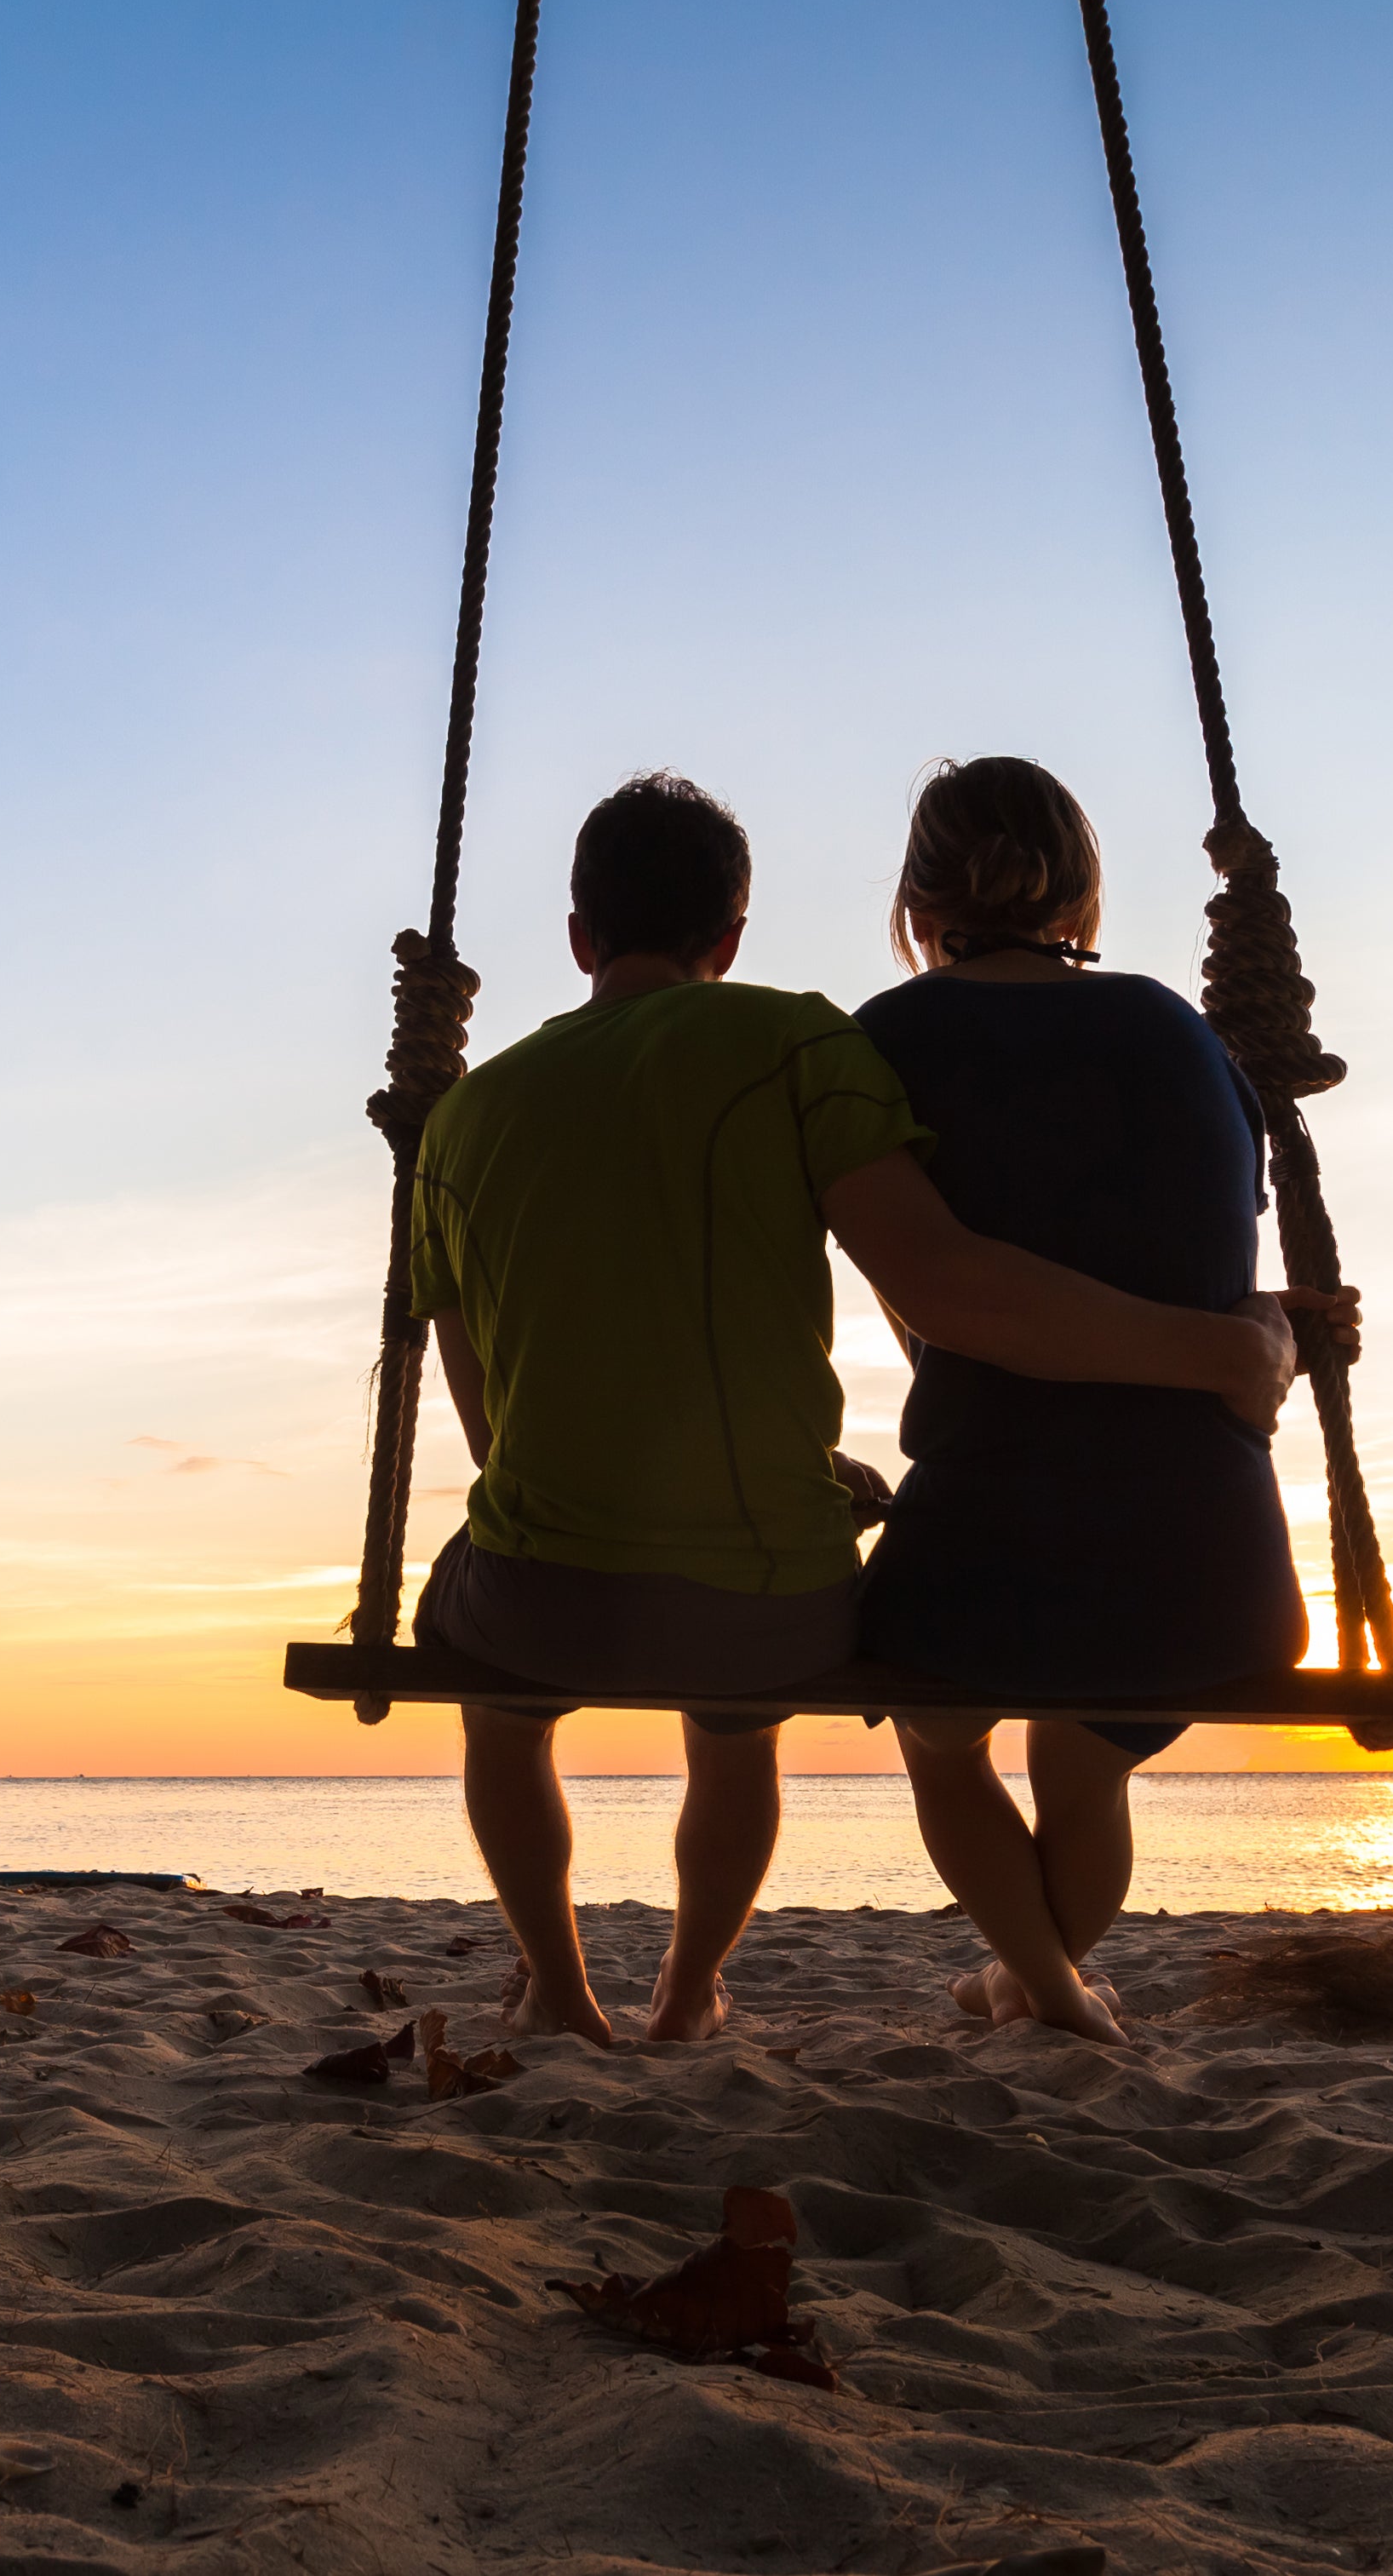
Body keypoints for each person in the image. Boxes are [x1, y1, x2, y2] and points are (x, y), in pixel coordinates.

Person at [407, 772, 1305, 2047]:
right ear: (729, 938)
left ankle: (558, 1985)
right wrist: (1236, 1343)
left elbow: (494, 1421)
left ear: (575, 938)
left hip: (553, 1590)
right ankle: (688, 1992)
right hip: (774, 1608)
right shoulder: (798, 1045)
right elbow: (944, 1280)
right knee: (755, 1722)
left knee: (495, 1698)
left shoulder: (461, 1114)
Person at [852, 756, 1340, 2040]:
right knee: (1083, 1762)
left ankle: (1045, 1989)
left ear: (914, 897)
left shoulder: (880, 1045)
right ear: (1081, 893)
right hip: (1209, 1570)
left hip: (982, 1547)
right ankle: (1033, 1984)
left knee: (938, 1738)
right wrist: (1254, 1342)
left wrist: (1232, 1344)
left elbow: (968, 1300)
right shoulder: (1185, 1036)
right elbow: (1187, 1271)